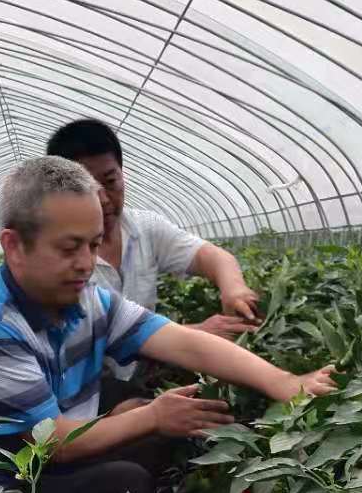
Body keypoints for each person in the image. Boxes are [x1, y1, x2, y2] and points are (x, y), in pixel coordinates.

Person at [0, 156, 336, 493]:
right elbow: (52, 443)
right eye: (69, 248)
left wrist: (285, 382)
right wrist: (150, 417)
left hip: (56, 450)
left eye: (94, 245)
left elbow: (184, 343)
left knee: (155, 430)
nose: (86, 263)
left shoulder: (89, 300)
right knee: (125, 482)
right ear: (14, 246)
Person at [45, 119, 260, 405]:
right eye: (87, 188)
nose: (104, 199)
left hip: (137, 376)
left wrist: (234, 289)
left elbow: (212, 256)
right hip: (79, 392)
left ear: (122, 174)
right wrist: (194, 335)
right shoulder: (53, 256)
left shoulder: (144, 228)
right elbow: (84, 346)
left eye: (110, 181)